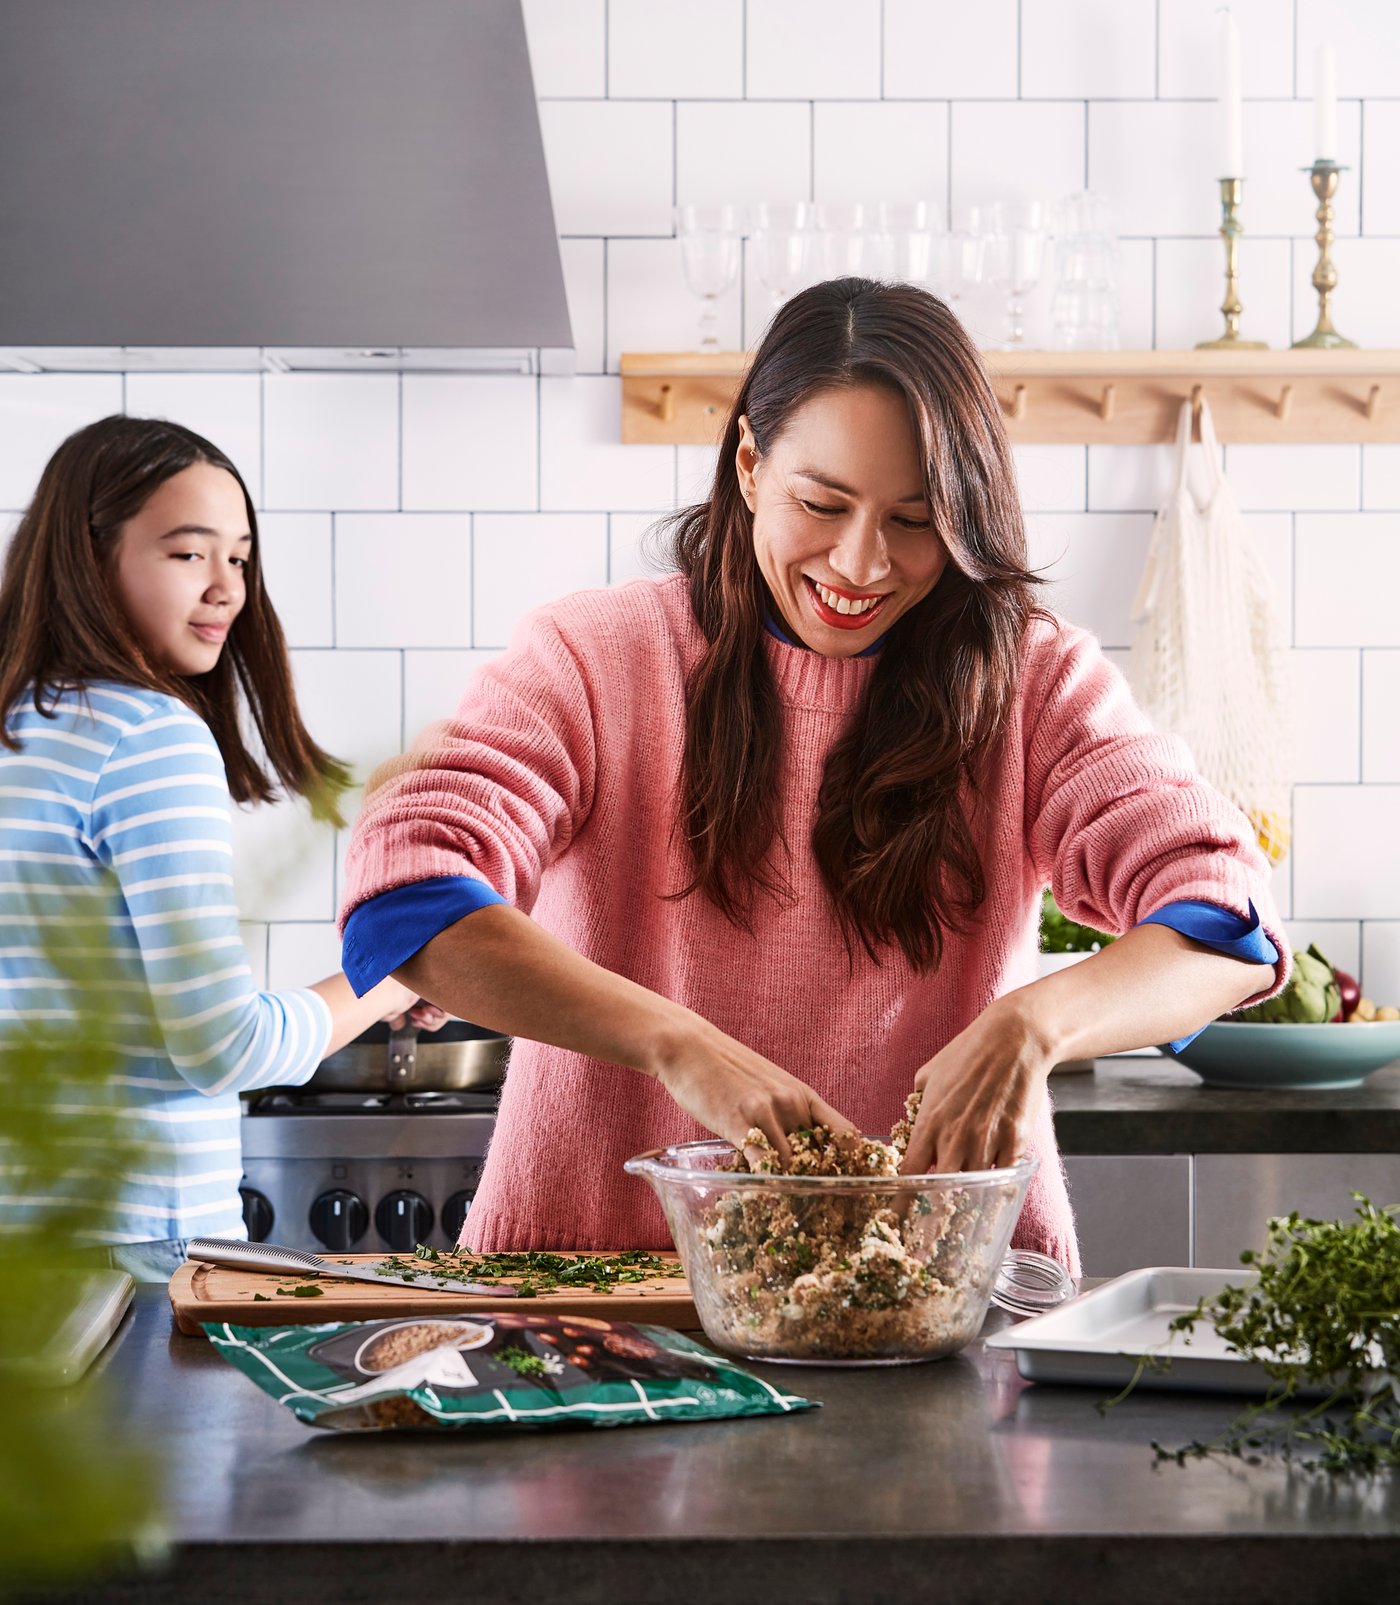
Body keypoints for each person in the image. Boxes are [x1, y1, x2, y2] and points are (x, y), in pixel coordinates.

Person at [339, 279, 1287, 1272]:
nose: (861, 562)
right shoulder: (594, 658)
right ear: (749, 464)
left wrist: (1032, 1025)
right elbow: (401, 897)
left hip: (937, 1287)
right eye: (820, 503)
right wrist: (681, 1048)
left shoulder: (1036, 683)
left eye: (915, 520)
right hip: (601, 1284)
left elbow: (1223, 924)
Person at [0, 415, 438, 1281]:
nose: (226, 589)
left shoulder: (22, 727)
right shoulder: (147, 737)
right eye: (188, 553)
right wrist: (397, 971)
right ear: (93, 555)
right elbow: (223, 1046)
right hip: (133, 1237)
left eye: (238, 557)